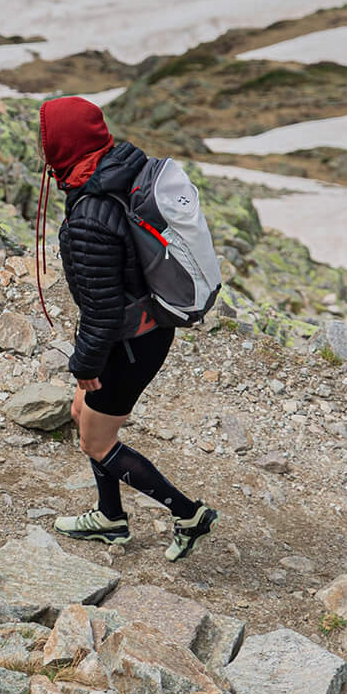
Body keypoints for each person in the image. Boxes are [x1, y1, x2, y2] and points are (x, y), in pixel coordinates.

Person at [38, 95, 218, 559]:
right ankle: (110, 519)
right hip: (147, 329)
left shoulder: (89, 218)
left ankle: (188, 514)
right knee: (83, 412)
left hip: (128, 344)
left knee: (95, 440)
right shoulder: (119, 168)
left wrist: (84, 365)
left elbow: (101, 311)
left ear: (62, 143)